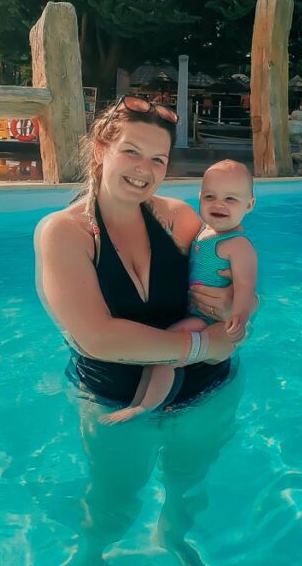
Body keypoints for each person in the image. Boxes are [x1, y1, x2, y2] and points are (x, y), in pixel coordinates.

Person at [34, 95, 247, 564]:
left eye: (158, 159)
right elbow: (98, 337)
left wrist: (237, 306)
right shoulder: (65, 233)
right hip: (116, 399)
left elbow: (237, 275)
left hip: (205, 390)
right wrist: (201, 343)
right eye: (132, 151)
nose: (145, 169)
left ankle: (171, 539)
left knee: (186, 487)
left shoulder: (178, 219)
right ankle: (89, 555)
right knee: (113, 499)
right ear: (100, 149)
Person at [101, 159, 257, 424]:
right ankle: (140, 402)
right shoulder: (204, 232)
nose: (218, 204)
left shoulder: (238, 245)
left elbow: (245, 285)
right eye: (210, 196)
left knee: (165, 352)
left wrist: (238, 318)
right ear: (200, 197)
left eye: (231, 199)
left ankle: (144, 406)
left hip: (209, 322)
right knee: (159, 352)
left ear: (249, 205)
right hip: (197, 314)